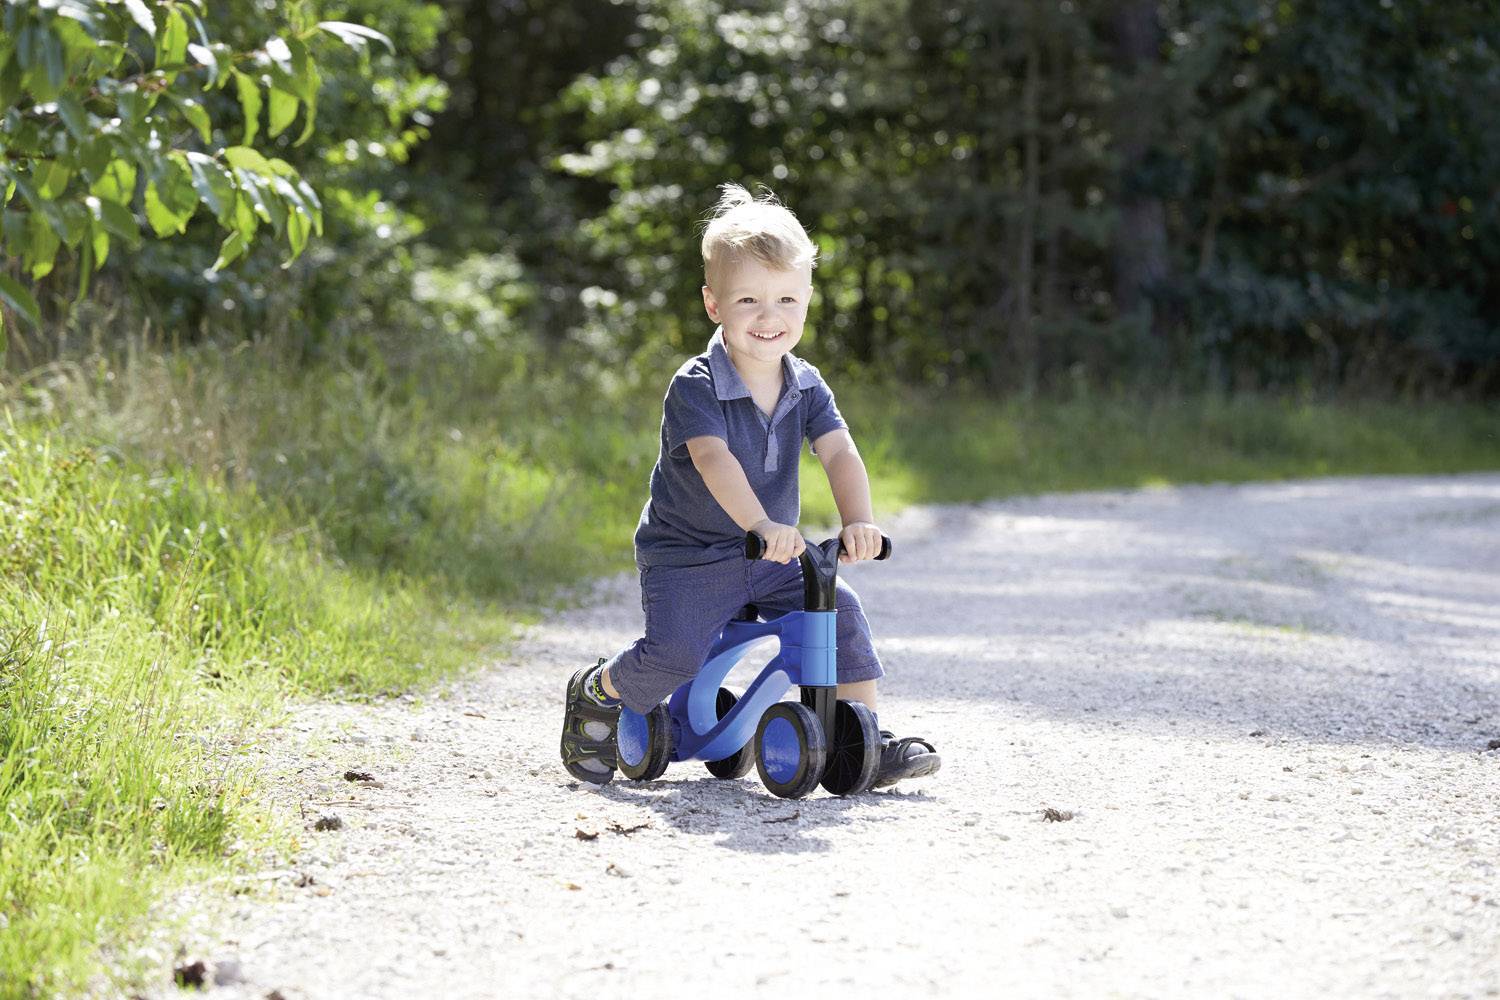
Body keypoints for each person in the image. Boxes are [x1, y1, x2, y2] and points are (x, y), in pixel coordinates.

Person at [559, 182, 940, 789]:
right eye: (749, 301)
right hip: (690, 556)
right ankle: (600, 687)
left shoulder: (807, 383)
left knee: (838, 610)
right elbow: (714, 460)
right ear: (714, 305)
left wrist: (858, 519)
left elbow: (837, 449)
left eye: (787, 299)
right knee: (674, 657)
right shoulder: (697, 384)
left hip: (768, 558)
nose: (770, 318)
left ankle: (862, 734)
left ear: (808, 303)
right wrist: (760, 524)